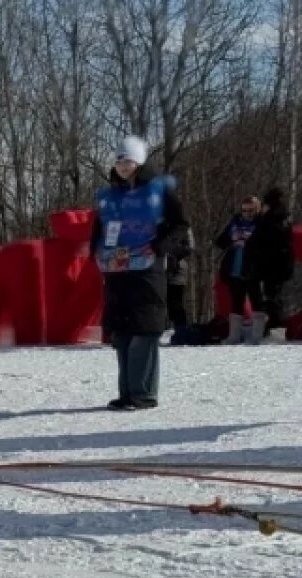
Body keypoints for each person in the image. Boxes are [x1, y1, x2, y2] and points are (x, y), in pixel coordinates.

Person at [90, 136, 191, 411]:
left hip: (146, 267)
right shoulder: (113, 194)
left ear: (140, 161)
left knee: (143, 328)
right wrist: (95, 252)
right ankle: (127, 392)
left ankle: (143, 393)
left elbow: (180, 225)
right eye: (119, 160)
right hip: (116, 267)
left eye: (129, 160)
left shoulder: (158, 191)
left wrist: (159, 247)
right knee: (121, 331)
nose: (123, 166)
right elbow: (99, 227)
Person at [214, 196, 262, 345]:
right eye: (244, 210)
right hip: (235, 264)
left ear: (257, 209)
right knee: (236, 300)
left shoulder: (261, 223)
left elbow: (265, 244)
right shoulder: (235, 222)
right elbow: (220, 241)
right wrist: (232, 239)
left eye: (250, 210)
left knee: (256, 299)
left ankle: (256, 336)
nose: (246, 213)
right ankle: (234, 335)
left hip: (253, 266)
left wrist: (249, 241)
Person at [249, 186, 294, 338]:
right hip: (279, 262)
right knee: (272, 294)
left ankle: (276, 326)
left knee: (272, 295)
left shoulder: (274, 217)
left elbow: (266, 238)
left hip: (272, 262)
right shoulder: (283, 216)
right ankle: (274, 324)